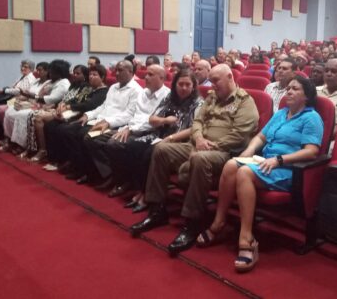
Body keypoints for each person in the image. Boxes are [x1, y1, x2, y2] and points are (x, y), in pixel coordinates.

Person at [129, 64, 259, 256]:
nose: (212, 85)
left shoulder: (245, 102)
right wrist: (198, 139)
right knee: (161, 149)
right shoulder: (213, 98)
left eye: (216, 81)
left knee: (200, 159)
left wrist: (210, 146)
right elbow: (197, 121)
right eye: (211, 81)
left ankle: (192, 222)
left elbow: (240, 135)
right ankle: (157, 210)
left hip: (224, 152)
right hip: (198, 145)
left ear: (230, 77)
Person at [196, 76, 322, 272]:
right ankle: (219, 222)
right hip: (265, 163)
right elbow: (261, 137)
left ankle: (247, 237)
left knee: (244, 172)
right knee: (231, 165)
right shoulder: (281, 114)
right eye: (288, 88)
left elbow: (311, 151)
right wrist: (248, 151)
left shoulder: (311, 117)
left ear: (306, 96)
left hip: (288, 169)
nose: (288, 91)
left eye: (295, 89)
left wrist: (279, 160)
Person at [107, 69, 203, 212]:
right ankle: (140, 188)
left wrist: (170, 138)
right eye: (180, 84)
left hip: (180, 140)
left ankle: (146, 193)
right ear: (175, 84)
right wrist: (164, 120)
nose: (183, 88)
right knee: (133, 147)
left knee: (149, 154)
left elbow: (194, 128)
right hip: (159, 135)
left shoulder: (198, 103)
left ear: (193, 86)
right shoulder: (170, 98)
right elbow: (152, 119)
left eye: (187, 85)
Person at [82, 65, 170, 189]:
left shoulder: (167, 96)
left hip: (150, 132)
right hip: (130, 127)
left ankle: (124, 180)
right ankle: (111, 175)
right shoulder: (144, 93)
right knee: (93, 138)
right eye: (146, 74)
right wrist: (128, 128)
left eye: (150, 75)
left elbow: (152, 121)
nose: (146, 77)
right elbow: (134, 114)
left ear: (161, 78)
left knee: (114, 144)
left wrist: (130, 129)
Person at [51, 60, 142, 180]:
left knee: (82, 134)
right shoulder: (114, 87)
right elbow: (103, 106)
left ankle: (94, 172)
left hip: (113, 124)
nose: (116, 73)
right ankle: (79, 165)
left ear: (130, 72)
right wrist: (88, 115)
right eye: (116, 70)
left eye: (120, 70)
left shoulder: (136, 90)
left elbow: (129, 115)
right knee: (66, 130)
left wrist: (108, 122)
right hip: (99, 120)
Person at [33, 65, 109, 165]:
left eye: (95, 75)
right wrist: (65, 103)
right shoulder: (90, 88)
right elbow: (77, 99)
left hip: (87, 115)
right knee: (50, 125)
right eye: (90, 74)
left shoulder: (104, 91)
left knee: (64, 130)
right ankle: (54, 158)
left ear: (102, 77)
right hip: (81, 113)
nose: (91, 76)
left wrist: (69, 107)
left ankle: (72, 162)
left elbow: (90, 105)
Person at [8, 60, 71, 158]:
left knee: (31, 116)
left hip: (54, 108)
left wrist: (33, 97)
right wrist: (29, 95)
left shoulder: (63, 83)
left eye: (52, 71)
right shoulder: (53, 81)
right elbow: (40, 94)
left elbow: (51, 99)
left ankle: (40, 149)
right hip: (44, 106)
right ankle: (25, 146)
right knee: (23, 114)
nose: (50, 73)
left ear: (59, 72)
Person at [0, 62, 51, 153]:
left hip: (38, 105)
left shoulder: (48, 83)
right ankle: (9, 139)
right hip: (28, 102)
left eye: (40, 70)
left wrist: (27, 96)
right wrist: (21, 98)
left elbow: (41, 97)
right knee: (9, 111)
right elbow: (27, 93)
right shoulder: (37, 81)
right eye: (37, 70)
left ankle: (22, 145)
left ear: (47, 71)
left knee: (21, 115)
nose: (38, 72)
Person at [0, 59, 36, 142]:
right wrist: (5, 90)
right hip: (12, 97)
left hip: (19, 99)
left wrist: (3, 91)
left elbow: (19, 91)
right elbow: (13, 88)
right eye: (22, 66)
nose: (22, 68)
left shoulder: (30, 78)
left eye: (25, 67)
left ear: (31, 69)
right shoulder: (22, 76)